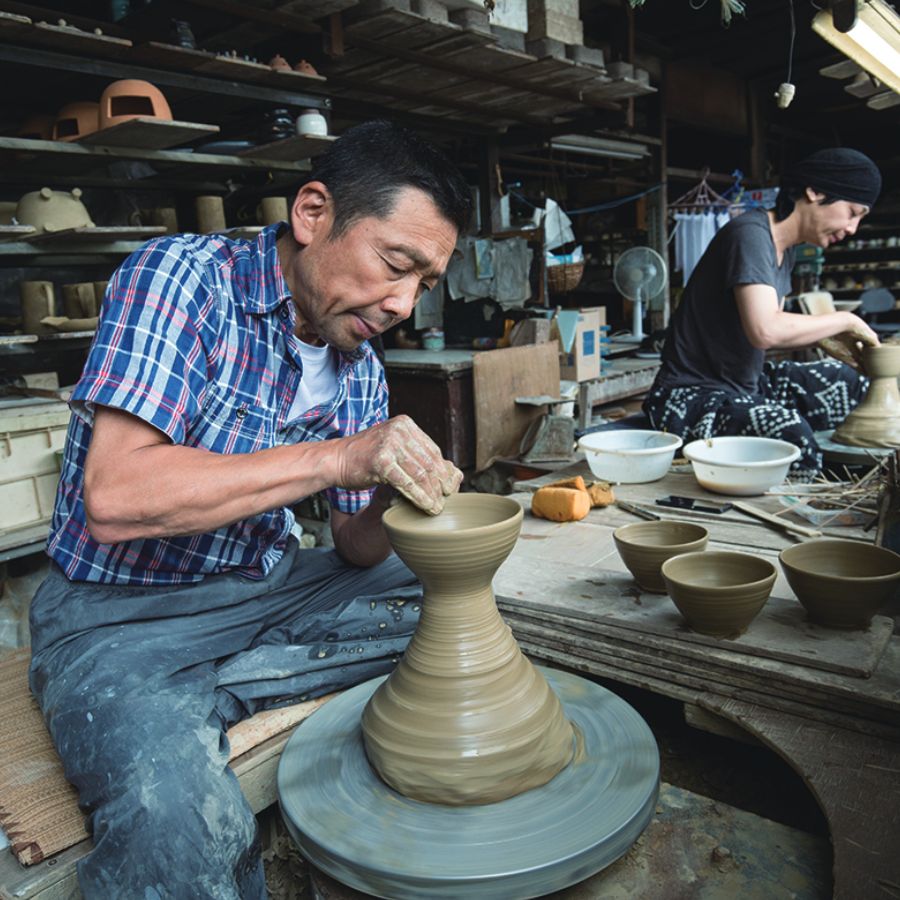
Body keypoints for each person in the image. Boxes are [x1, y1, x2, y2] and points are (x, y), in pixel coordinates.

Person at [28, 120, 472, 899]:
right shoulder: (181, 278)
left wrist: (396, 496)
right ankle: (201, 695)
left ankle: (224, 683)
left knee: (469, 608)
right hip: (120, 614)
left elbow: (355, 548)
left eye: (424, 286)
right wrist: (339, 456)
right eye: (395, 265)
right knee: (182, 830)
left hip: (264, 587)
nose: (402, 302)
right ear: (312, 214)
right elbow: (115, 496)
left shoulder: (358, 360)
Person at [644, 148, 882, 478]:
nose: (853, 227)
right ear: (815, 192)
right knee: (791, 434)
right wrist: (846, 320)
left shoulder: (787, 250)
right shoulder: (750, 235)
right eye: (852, 212)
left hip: (746, 387)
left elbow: (765, 331)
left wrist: (826, 340)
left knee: (850, 383)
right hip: (689, 399)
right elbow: (765, 330)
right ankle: (802, 516)